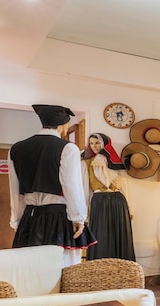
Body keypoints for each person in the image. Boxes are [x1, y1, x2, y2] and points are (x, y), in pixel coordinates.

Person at [9, 104, 95, 266]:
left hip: (29, 217)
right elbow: (72, 186)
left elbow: (15, 189)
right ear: (63, 125)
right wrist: (78, 217)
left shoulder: (16, 148)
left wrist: (17, 219)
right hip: (58, 218)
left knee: (30, 266)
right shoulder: (68, 148)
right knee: (62, 267)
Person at [81, 132, 136, 261]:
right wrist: (85, 211)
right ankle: (101, 270)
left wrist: (129, 207)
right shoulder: (86, 163)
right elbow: (85, 189)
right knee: (100, 236)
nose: (94, 146)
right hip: (99, 202)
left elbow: (123, 187)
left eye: (97, 143)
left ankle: (122, 268)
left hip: (118, 201)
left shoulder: (115, 162)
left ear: (104, 144)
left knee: (120, 235)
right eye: (91, 143)